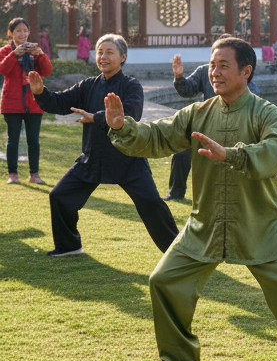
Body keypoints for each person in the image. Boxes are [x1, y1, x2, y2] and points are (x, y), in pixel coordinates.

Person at [104, 37, 277, 361]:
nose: (213, 73)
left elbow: (273, 154)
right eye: (212, 65)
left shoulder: (266, 113)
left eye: (223, 66)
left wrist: (230, 154)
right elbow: (158, 136)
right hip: (206, 222)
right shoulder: (196, 113)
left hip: (259, 223)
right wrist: (121, 127)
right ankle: (178, 355)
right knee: (163, 280)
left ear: (246, 71)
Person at [29, 33, 179, 257]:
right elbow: (60, 103)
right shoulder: (88, 85)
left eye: (109, 52)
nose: (103, 56)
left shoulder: (131, 85)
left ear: (122, 57)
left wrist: (96, 117)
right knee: (60, 196)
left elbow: (131, 114)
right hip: (93, 158)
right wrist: (41, 92)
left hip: (127, 158)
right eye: (100, 52)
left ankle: (177, 253)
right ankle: (69, 246)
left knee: (152, 205)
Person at [164, 51, 260, 201]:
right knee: (181, 152)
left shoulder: (245, 82)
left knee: (237, 157)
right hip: (206, 126)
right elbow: (187, 90)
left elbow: (253, 112)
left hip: (233, 130)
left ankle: (244, 196)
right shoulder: (205, 71)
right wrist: (179, 77)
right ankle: (175, 193)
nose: (216, 71)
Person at [1, 17, 52, 185]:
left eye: (25, 30)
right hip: (12, 102)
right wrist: (14, 54)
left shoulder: (34, 50)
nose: (22, 34)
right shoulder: (5, 50)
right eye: (18, 31)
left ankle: (34, 174)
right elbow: (3, 69)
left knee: (34, 141)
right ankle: (13, 174)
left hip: (34, 101)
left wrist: (41, 55)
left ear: (29, 32)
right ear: (10, 33)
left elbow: (46, 71)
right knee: (13, 139)